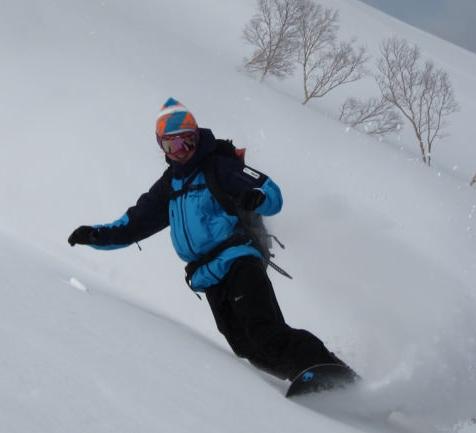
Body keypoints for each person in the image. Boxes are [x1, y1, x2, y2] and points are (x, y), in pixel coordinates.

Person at [68, 98, 356, 382]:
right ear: (161, 146)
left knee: (264, 331)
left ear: (196, 137)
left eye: (187, 142)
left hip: (238, 261)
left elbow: (271, 191)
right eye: (171, 145)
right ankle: (309, 379)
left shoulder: (219, 168)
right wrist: (97, 235)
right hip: (206, 275)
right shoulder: (168, 187)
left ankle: (330, 372)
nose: (180, 152)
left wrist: (259, 198)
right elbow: (132, 225)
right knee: (246, 347)